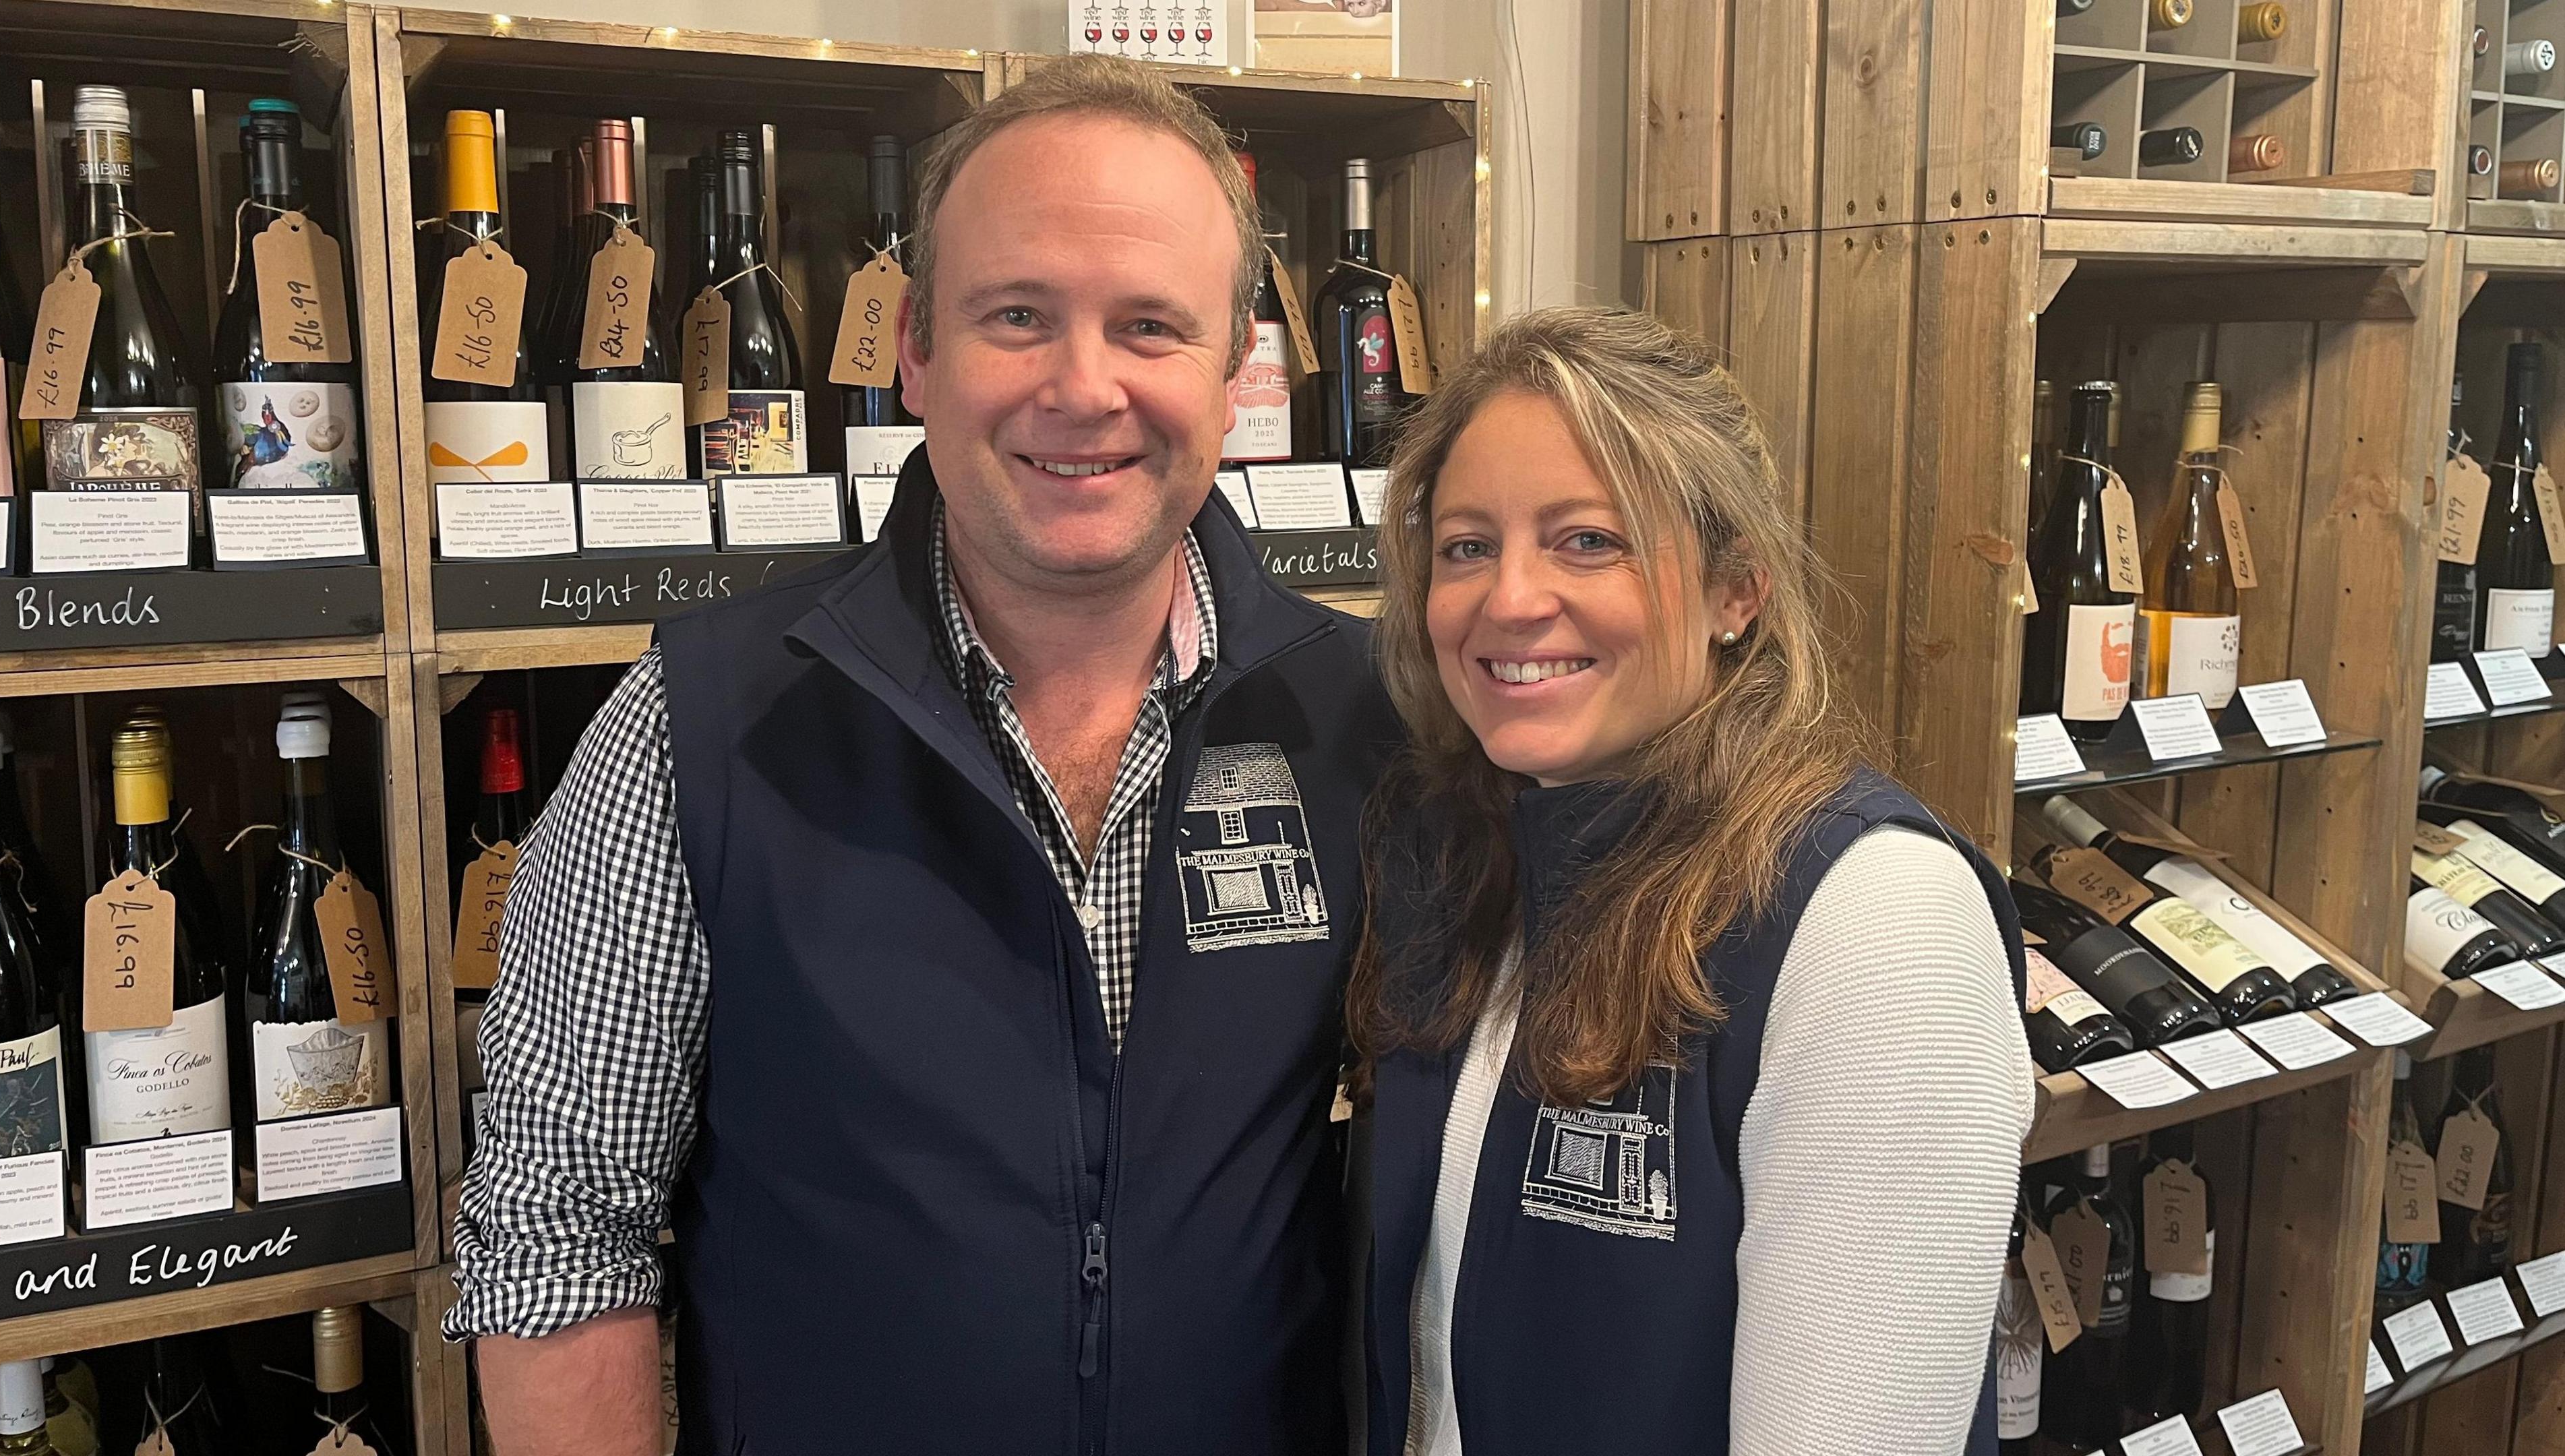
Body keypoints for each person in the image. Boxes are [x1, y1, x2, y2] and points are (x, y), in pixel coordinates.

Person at [445, 55, 1395, 1455]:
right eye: (1019, 316)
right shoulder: (698, 728)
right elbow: (558, 1229)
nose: (1085, 388)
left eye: (1151, 327)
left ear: (1232, 364)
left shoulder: (1365, 719)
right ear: (918, 351)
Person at [1348, 308, 2036, 1455]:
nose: (1509, 599)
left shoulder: (1873, 923)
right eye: (1467, 545)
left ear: (1738, 591)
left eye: (1587, 540)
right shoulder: (1468, 858)